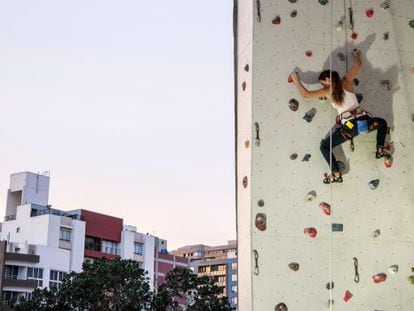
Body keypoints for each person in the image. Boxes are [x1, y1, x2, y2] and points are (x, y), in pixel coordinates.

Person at [291, 49, 388, 184]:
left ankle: (336, 173)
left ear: (327, 79)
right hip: (364, 122)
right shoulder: (347, 80)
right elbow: (358, 65)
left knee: (324, 146)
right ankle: (380, 149)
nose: (322, 85)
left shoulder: (327, 91)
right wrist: (357, 55)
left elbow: (306, 94)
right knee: (382, 123)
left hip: (349, 128)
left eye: (322, 83)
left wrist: (296, 80)